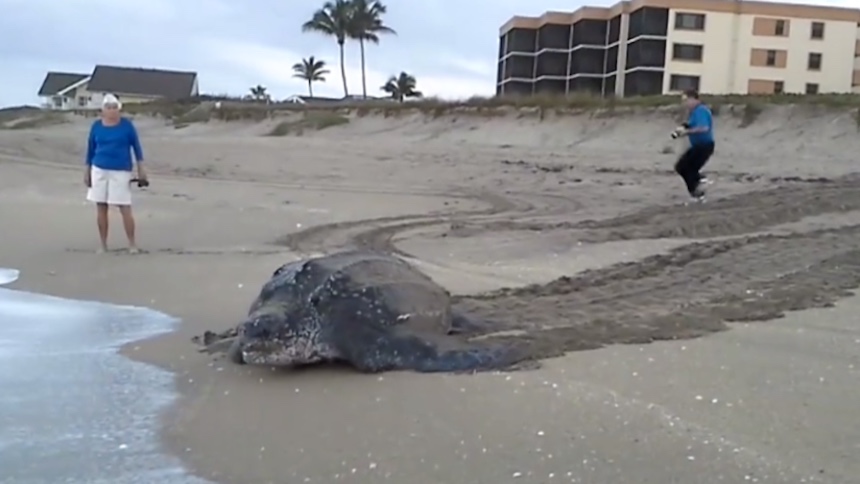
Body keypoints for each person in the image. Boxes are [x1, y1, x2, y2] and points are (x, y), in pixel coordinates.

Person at [84, 94, 148, 253]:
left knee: (124, 206)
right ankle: (103, 244)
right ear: (103, 110)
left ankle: (132, 244)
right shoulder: (96, 126)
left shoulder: (126, 126)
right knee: (101, 206)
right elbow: (90, 149)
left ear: (119, 109)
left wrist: (141, 168)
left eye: (114, 108)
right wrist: (87, 170)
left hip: (121, 170)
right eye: (108, 108)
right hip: (99, 168)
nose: (112, 111)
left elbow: (136, 148)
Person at [671, 89, 715, 203]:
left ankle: (700, 186)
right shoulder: (694, 112)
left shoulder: (701, 110)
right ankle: (698, 191)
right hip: (698, 146)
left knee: (687, 168)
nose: (685, 104)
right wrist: (682, 128)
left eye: (686, 100)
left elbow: (704, 128)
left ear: (693, 99)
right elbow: (690, 124)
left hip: (704, 146)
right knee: (682, 167)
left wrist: (687, 132)